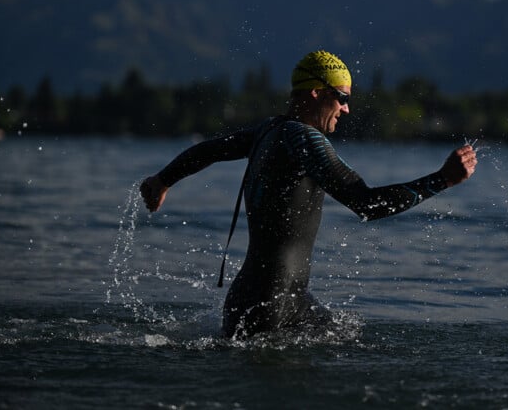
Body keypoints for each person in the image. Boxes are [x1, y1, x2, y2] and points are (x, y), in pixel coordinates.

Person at [140, 50, 477, 338]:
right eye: (342, 98)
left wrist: (163, 179)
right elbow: (366, 203)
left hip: (257, 297)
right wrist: (441, 180)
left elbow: (210, 150)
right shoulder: (305, 139)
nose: (346, 109)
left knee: (344, 336)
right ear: (316, 92)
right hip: (275, 303)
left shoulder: (268, 130)